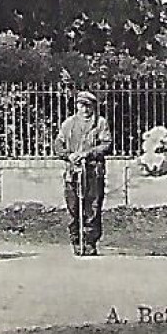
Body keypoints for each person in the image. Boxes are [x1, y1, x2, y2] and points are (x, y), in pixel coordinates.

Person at [52, 90, 112, 256]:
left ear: (93, 107)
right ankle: (76, 241)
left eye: (88, 106)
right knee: (73, 207)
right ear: (76, 106)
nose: (85, 109)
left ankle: (90, 242)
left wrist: (89, 153)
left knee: (92, 207)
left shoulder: (100, 123)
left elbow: (106, 144)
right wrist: (68, 155)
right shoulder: (68, 124)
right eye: (82, 105)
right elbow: (58, 144)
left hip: (93, 171)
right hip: (73, 171)